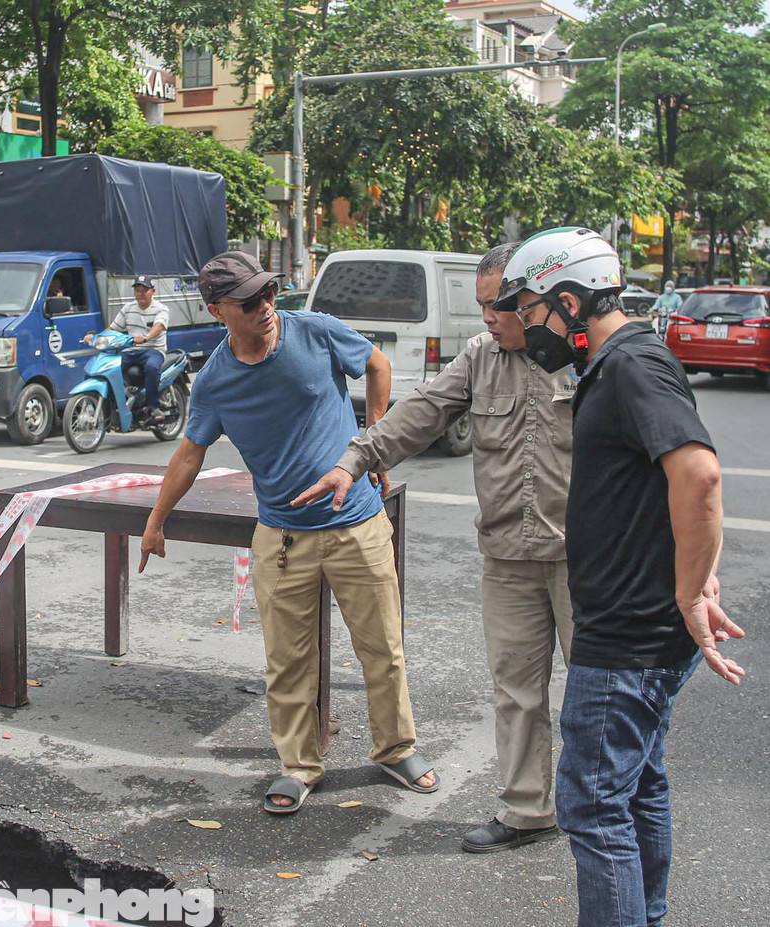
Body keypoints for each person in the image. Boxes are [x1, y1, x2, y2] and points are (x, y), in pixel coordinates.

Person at [493, 227, 745, 926]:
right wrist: (695, 574)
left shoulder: (632, 363)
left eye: (533, 307)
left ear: (570, 299)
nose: (526, 323)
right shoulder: (621, 362)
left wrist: (694, 587)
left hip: (625, 639)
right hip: (640, 626)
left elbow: (699, 473)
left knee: (594, 804)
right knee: (637, 787)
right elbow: (669, 487)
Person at [297, 241, 574, 852]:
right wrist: (356, 459)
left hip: (583, 558)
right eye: (481, 306)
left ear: (537, 299)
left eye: (498, 304)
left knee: (596, 694)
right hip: (507, 555)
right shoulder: (480, 357)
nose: (488, 318)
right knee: (517, 690)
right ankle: (529, 811)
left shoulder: (588, 359)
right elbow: (420, 413)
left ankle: (606, 811)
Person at [139, 250, 437, 814]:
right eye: (250, 302)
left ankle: (396, 749)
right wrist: (156, 521)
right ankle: (299, 765)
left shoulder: (315, 332)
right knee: (288, 660)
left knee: (383, 647)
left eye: (270, 293)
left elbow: (377, 364)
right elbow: (189, 453)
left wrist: (374, 443)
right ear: (217, 311)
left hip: (358, 524)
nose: (267, 307)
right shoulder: (216, 381)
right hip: (282, 538)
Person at [84, 274, 169, 421]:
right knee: (108, 365)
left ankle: (153, 406)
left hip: (153, 350)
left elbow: (158, 326)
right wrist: (96, 337)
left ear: (152, 291)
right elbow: (112, 328)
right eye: (137, 290)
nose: (141, 293)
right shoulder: (128, 308)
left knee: (151, 367)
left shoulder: (161, 309)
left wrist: (146, 337)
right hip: (130, 350)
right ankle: (121, 397)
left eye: (145, 290)